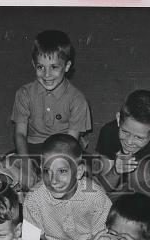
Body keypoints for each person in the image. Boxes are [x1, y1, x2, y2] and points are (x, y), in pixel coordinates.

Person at [23, 134, 112, 240]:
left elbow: (102, 238)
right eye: (47, 171)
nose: (53, 180)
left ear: (78, 172)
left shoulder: (95, 195)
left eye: (62, 171)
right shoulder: (33, 198)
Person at [10, 29, 91, 164]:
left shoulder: (78, 100)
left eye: (54, 67)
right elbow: (20, 134)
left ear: (67, 66)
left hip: (64, 149)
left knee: (87, 169)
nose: (46, 75)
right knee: (5, 164)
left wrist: (55, 168)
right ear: (33, 64)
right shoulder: (24, 93)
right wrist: (25, 164)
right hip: (32, 148)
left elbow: (70, 142)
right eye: (40, 67)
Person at [95, 89, 150, 213]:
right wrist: (115, 171)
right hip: (115, 193)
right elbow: (102, 189)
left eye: (139, 137)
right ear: (118, 119)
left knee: (141, 172)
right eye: (124, 132)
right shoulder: (109, 132)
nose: (129, 141)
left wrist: (142, 224)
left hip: (146, 198)